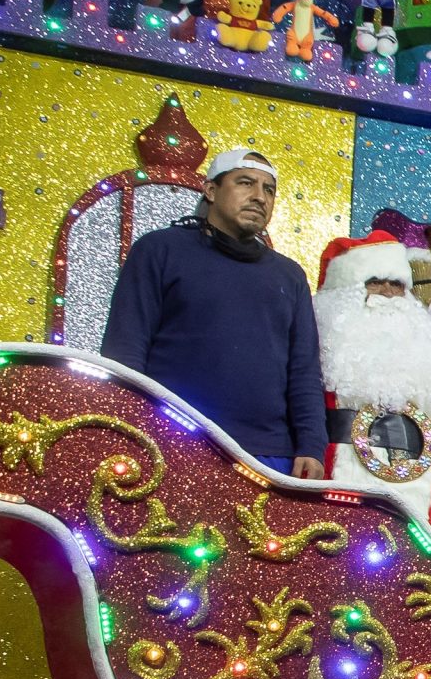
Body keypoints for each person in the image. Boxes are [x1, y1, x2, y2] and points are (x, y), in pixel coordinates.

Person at [97, 146, 326, 477]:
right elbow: (126, 350)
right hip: (172, 442)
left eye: (269, 189)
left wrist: (310, 445)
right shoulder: (160, 250)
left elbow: (303, 368)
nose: (260, 197)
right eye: (245, 183)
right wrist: (130, 429)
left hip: (269, 455)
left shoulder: (288, 276)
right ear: (211, 190)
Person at [310, 230, 431, 530]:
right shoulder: (321, 342)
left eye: (397, 284)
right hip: (338, 473)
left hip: (423, 488)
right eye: (375, 282)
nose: (388, 293)